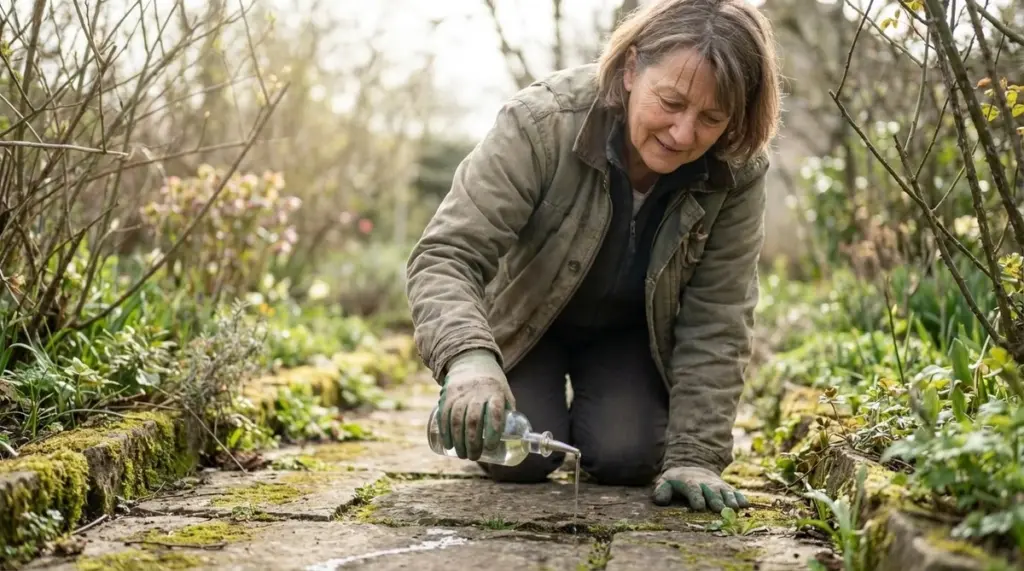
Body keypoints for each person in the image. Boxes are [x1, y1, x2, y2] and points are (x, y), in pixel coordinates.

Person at [405, 0, 781, 514]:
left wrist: (696, 456)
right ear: (631, 69)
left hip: (628, 337)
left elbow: (719, 315)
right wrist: (468, 359)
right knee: (518, 455)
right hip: (525, 323)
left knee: (630, 457)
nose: (683, 134)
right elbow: (447, 254)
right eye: (670, 102)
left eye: (711, 118)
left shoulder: (736, 171)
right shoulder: (541, 123)